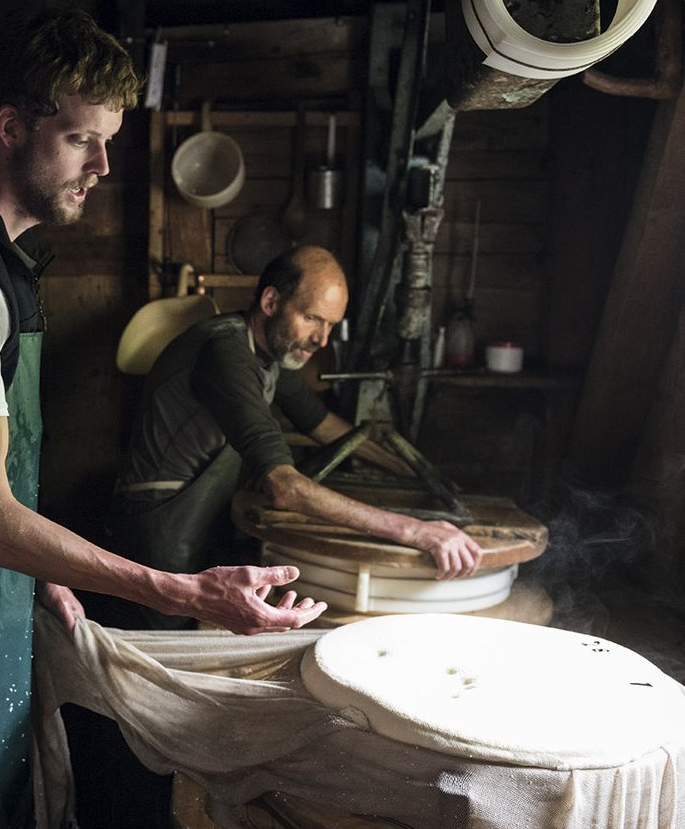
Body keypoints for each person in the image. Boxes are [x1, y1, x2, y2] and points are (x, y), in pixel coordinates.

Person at [0, 7, 325, 829]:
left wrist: (50, 571)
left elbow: (0, 473)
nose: (103, 169)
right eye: (81, 140)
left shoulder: (13, 262)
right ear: (11, 127)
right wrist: (178, 586)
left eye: (109, 144)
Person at [107, 244, 483, 629]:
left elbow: (322, 425)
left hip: (193, 526)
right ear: (270, 301)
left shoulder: (269, 354)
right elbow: (284, 487)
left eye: (332, 325)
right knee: (156, 661)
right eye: (312, 319)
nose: (322, 339)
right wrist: (415, 531)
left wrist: (416, 472)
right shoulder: (225, 352)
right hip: (156, 534)